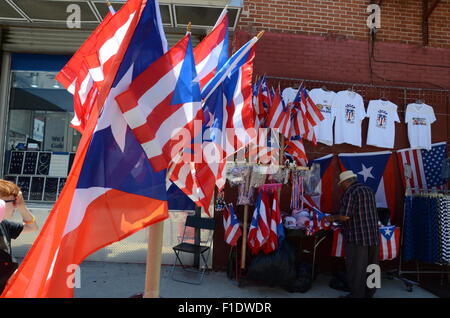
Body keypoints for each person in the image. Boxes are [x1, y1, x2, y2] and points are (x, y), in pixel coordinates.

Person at [327, 171, 380, 298]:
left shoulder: (350, 192)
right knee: (372, 266)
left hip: (357, 236)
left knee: (357, 269)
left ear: (346, 182)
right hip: (373, 235)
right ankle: (370, 293)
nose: (342, 186)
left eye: (342, 184)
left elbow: (345, 216)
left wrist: (332, 218)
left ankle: (357, 295)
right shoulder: (368, 189)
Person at [0, 179, 39, 294]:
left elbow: (32, 227)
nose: (15, 206)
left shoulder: (4, 225)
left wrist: (22, 206)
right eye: (13, 202)